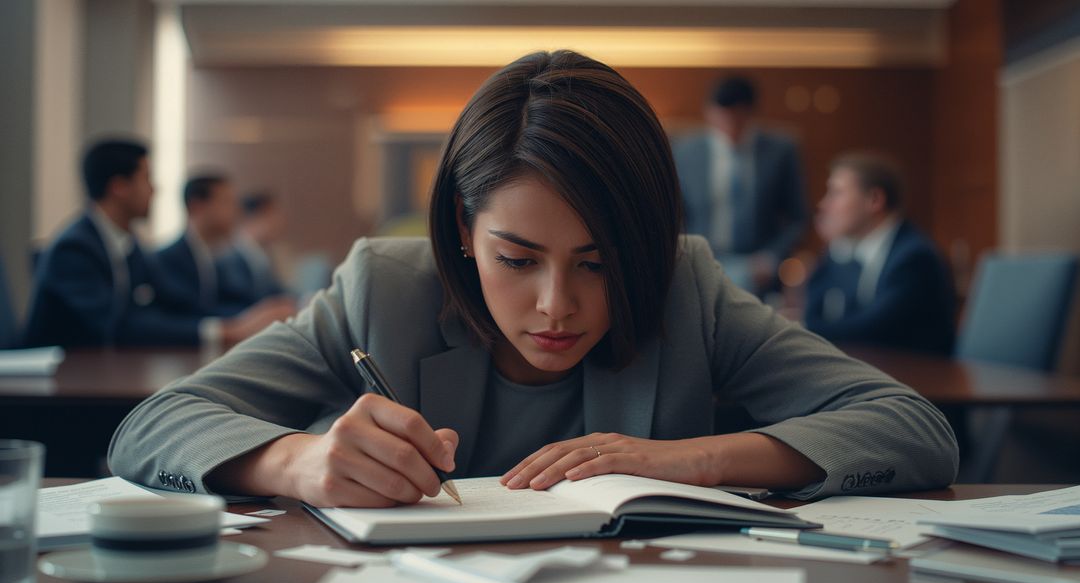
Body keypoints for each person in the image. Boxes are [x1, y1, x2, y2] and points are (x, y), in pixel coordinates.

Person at [109, 51, 957, 508]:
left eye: (599, 262)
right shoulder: (384, 288)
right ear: (462, 230)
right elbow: (152, 428)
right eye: (516, 260)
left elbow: (914, 430)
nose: (557, 305)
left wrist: (690, 461)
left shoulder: (684, 286)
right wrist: (297, 462)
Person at [23, 140, 292, 349]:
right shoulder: (74, 249)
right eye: (146, 178)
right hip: (55, 385)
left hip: (99, 371)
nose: (154, 189)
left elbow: (177, 302)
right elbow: (117, 326)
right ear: (119, 187)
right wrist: (222, 330)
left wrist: (243, 319)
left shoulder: (127, 243)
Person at [805, 152, 956, 355]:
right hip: (874, 363)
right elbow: (816, 310)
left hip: (919, 370)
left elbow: (870, 330)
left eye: (836, 193)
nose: (823, 204)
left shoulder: (915, 257)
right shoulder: (845, 250)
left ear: (874, 199)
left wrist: (799, 331)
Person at [672, 76, 808, 294]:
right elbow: (676, 213)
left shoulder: (780, 151)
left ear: (749, 114)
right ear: (709, 112)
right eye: (721, 118)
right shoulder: (686, 151)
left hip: (757, 267)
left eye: (735, 119)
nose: (728, 127)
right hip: (700, 263)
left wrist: (771, 257)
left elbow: (797, 217)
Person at [218, 192, 289, 305]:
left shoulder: (262, 254)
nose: (279, 222)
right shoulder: (231, 258)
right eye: (272, 216)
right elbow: (242, 301)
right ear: (253, 218)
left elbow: (277, 292)